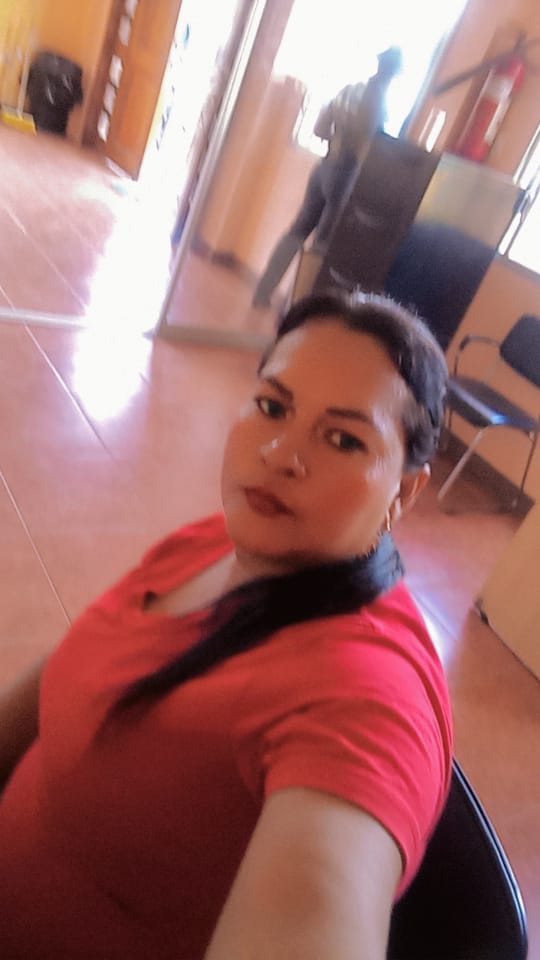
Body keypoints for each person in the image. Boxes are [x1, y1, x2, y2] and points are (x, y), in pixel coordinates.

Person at [0, 289, 453, 960]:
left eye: (343, 439)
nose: (280, 454)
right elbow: (79, 666)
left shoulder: (369, 698)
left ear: (404, 491)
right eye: (273, 406)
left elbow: (317, 904)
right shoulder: (219, 540)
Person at [253, 47, 403, 308]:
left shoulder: (349, 90)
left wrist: (337, 139)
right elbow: (371, 149)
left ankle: (263, 291)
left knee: (297, 231)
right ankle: (296, 305)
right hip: (345, 175)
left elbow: (319, 128)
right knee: (321, 246)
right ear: (393, 72)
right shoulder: (378, 102)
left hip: (324, 167)